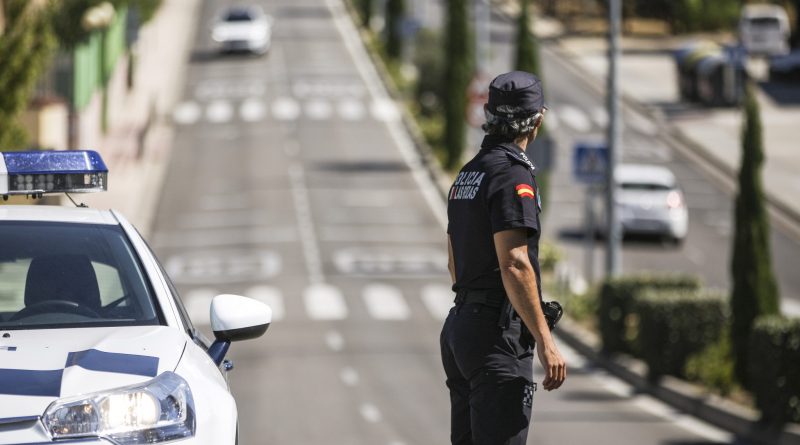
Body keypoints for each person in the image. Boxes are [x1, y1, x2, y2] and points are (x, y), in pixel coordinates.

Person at [440, 71, 567, 445]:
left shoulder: (469, 173)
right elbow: (514, 262)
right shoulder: (513, 176)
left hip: (461, 327)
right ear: (537, 121)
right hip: (496, 337)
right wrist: (545, 340)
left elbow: (453, 263)